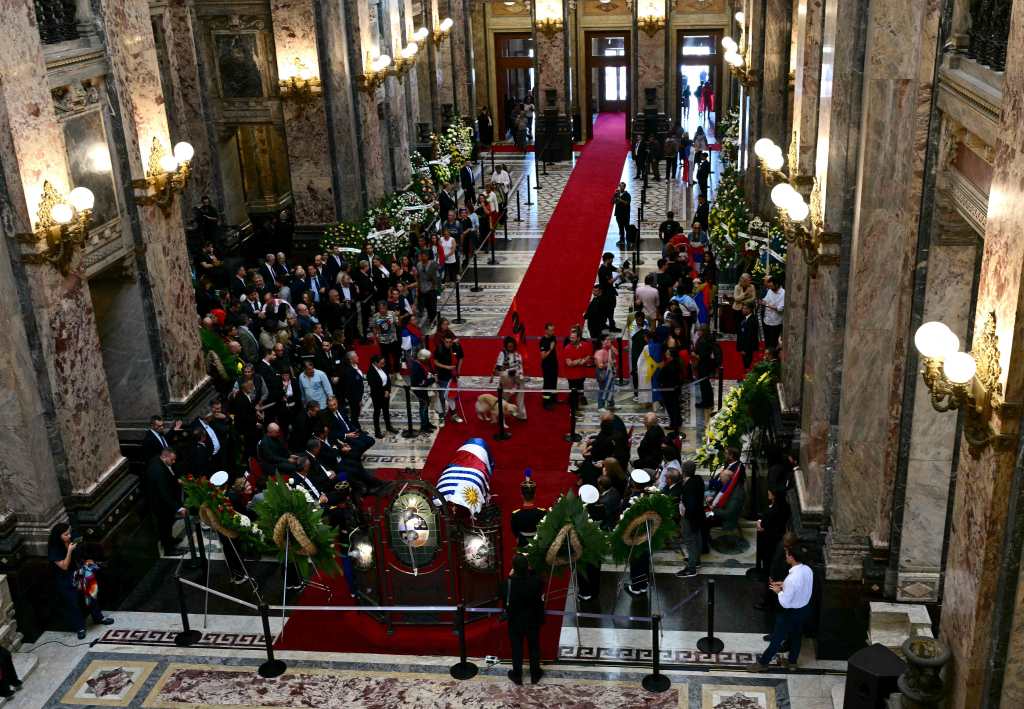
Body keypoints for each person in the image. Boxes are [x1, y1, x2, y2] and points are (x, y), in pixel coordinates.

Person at [748, 545, 814, 672]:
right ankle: (792, 663)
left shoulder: (792, 578)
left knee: (777, 638)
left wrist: (779, 591)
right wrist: (784, 585)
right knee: (796, 636)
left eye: (787, 554)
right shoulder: (807, 570)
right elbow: (801, 586)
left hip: (790, 613)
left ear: (792, 558)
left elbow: (785, 603)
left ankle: (763, 663)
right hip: (804, 609)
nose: (786, 556)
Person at [48, 523, 115, 639]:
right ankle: (80, 627)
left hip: (78, 570)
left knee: (91, 593)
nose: (69, 536)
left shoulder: (73, 538)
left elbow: (81, 550)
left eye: (69, 533)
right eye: (66, 535)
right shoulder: (54, 549)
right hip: (65, 577)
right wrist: (69, 551)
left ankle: (98, 617)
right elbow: (64, 566)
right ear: (59, 536)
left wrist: (86, 561)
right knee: (73, 603)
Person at [503, 554, 545, 685]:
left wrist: (510, 577)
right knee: (534, 647)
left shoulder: (508, 583)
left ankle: (517, 675)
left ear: (513, 568)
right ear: (528, 567)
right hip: (533, 620)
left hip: (515, 621)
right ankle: (535, 674)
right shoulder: (536, 581)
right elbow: (539, 583)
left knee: (517, 648)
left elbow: (503, 597)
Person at [144, 448, 186, 556]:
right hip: (161, 504)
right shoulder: (158, 470)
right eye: (172, 460)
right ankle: (169, 549)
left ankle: (169, 539)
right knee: (164, 525)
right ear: (164, 456)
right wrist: (178, 508)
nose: (174, 462)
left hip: (163, 502)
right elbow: (164, 492)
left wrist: (176, 481)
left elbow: (169, 477)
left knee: (168, 524)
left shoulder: (159, 460)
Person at [674, 460, 705, 578]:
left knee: (690, 541)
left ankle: (691, 568)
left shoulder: (688, 486)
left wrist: (685, 515)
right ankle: (696, 560)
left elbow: (690, 505)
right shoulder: (698, 479)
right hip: (699, 515)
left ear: (683, 471)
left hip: (690, 517)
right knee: (697, 537)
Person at [755, 487, 792, 577]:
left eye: (770, 493)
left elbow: (762, 526)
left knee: (767, 558)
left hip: (768, 538)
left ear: (775, 496)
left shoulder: (772, 512)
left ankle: (766, 575)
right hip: (778, 535)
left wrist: (759, 522)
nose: (768, 494)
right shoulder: (785, 507)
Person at [494, 336, 527, 420]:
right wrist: (507, 369)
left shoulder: (518, 354)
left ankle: (521, 414)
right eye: (509, 347)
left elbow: (520, 368)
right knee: (505, 397)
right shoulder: (502, 354)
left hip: (517, 376)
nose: (511, 348)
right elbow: (498, 369)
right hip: (507, 378)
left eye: (512, 346)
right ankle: (501, 412)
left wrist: (520, 377)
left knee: (521, 392)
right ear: (506, 346)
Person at [510, 474, 546, 548]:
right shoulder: (542, 512)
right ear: (535, 495)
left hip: (522, 545)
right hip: (537, 546)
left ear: (522, 496)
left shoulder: (516, 514)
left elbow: (516, 534)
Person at [367, 354, 397, 438]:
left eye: (384, 363)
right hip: (377, 395)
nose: (383, 364)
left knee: (386, 411)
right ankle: (377, 431)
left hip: (385, 393)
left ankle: (389, 427)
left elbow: (388, 380)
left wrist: (387, 390)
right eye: (381, 363)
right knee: (377, 412)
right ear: (375, 363)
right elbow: (374, 386)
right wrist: (384, 392)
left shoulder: (383, 368)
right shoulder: (371, 372)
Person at [563, 326, 593, 410]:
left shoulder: (585, 345)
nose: (571, 339)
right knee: (573, 392)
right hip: (571, 376)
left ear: (578, 338)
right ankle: (574, 408)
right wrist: (579, 361)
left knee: (580, 388)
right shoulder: (567, 348)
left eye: (573, 338)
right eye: (570, 337)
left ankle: (581, 398)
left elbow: (589, 355)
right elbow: (569, 363)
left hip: (581, 374)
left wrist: (584, 360)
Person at [410, 349, 436, 434]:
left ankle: (427, 423)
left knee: (425, 407)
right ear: (423, 358)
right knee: (423, 408)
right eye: (428, 359)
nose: (429, 360)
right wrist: (432, 380)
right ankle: (424, 426)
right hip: (420, 391)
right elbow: (421, 383)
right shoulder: (417, 367)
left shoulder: (419, 363)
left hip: (423, 390)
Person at [761, 276, 785, 350]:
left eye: (771, 286)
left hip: (776, 322)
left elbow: (780, 308)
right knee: (767, 340)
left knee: (774, 342)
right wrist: (762, 301)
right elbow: (766, 300)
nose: (770, 288)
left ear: (777, 284)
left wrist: (768, 305)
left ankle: (773, 355)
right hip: (767, 320)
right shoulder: (770, 290)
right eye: (769, 286)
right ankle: (767, 353)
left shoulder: (783, 293)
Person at [594, 335, 617, 411]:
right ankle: (601, 406)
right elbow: (600, 365)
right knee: (603, 388)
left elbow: (616, 353)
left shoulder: (608, 350)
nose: (609, 341)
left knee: (610, 388)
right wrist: (609, 364)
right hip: (602, 372)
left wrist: (611, 347)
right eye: (607, 340)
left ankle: (611, 404)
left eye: (609, 339)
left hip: (609, 371)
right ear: (602, 342)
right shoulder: (599, 352)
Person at [539, 322, 559, 409]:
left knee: (554, 382)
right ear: (546, 331)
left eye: (553, 330)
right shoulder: (543, 341)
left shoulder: (553, 338)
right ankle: (546, 401)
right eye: (551, 330)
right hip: (547, 365)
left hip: (554, 363)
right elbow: (543, 356)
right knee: (547, 383)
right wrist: (550, 349)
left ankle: (553, 398)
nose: (553, 332)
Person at [737, 303, 759, 370]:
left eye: (745, 308)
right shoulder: (745, 318)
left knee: (747, 363)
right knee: (745, 363)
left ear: (749, 310)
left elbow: (750, 336)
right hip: (744, 345)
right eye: (743, 308)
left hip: (748, 347)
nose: (742, 310)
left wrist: (745, 349)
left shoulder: (752, 320)